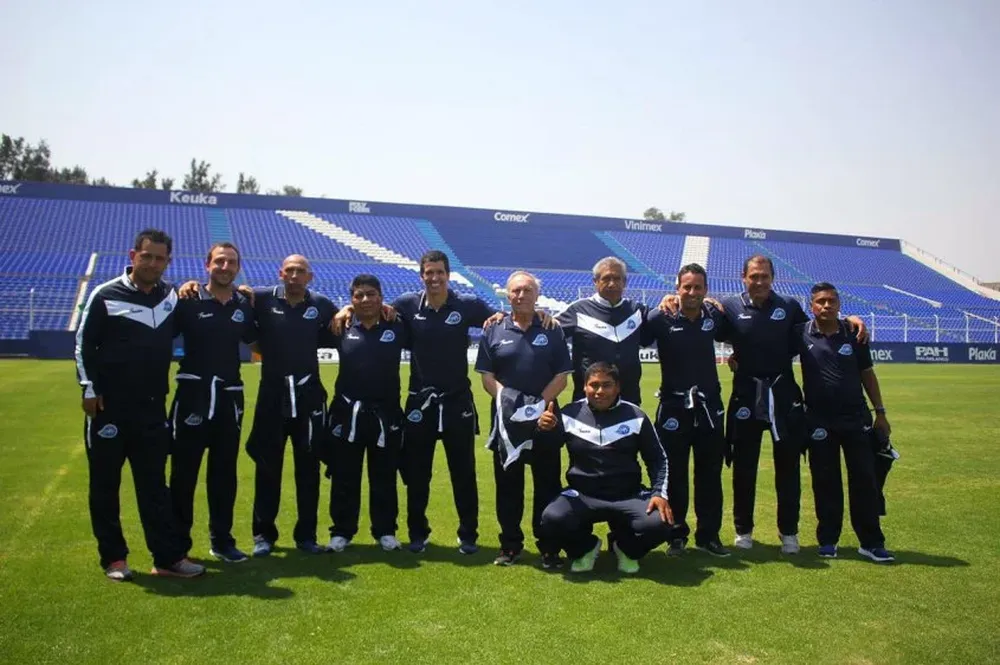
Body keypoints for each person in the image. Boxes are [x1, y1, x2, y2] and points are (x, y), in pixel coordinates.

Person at [662, 255, 867, 553]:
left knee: (788, 466)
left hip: (784, 393)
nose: (759, 282)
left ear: (773, 278)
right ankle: (743, 530)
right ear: (743, 277)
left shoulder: (789, 307)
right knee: (744, 466)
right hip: (746, 392)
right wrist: (672, 298)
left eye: (765, 276)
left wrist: (849, 319)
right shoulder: (728, 307)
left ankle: (789, 532)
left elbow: (819, 327)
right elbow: (698, 315)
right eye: (754, 276)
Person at [75, 228, 204, 581]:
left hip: (152, 408)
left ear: (168, 262)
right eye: (146, 256)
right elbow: (83, 344)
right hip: (109, 408)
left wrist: (198, 285)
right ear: (133, 256)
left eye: (160, 258)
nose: (152, 263)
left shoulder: (170, 297)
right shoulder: (105, 294)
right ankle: (114, 559)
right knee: (105, 485)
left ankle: (167, 558)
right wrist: (88, 387)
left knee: (154, 487)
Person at [537, 362, 674, 574]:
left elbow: (658, 458)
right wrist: (545, 430)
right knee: (552, 518)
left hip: (628, 494)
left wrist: (658, 493)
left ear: (618, 387)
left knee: (660, 523)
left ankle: (626, 549)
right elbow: (546, 451)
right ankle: (586, 547)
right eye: (594, 385)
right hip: (583, 495)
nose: (600, 391)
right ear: (584, 387)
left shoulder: (636, 416)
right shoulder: (569, 414)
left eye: (607, 385)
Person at [475, 271, 571, 568]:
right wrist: (508, 403)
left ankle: (548, 546)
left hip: (545, 420)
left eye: (527, 290)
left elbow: (563, 376)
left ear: (536, 295)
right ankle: (510, 546)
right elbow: (487, 377)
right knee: (508, 488)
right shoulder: (493, 329)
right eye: (515, 291)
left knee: (547, 486)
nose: (520, 295)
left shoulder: (552, 329)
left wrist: (537, 405)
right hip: (507, 424)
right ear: (507, 294)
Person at [794, 283, 894, 563]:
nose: (826, 306)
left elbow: (867, 373)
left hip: (856, 419)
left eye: (831, 301)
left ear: (839, 304)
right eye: (820, 302)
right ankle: (827, 540)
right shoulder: (801, 333)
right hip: (818, 421)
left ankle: (871, 542)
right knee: (825, 482)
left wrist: (880, 412)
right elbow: (768, 348)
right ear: (811, 306)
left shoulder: (853, 333)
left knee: (865, 481)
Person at [169, 242, 255, 564]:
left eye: (231, 262)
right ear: (207, 264)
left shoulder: (244, 304)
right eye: (219, 261)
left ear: (238, 267)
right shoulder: (187, 300)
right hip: (193, 395)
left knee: (224, 473)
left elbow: (258, 338)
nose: (225, 267)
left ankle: (222, 540)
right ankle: (177, 544)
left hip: (230, 398)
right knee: (183, 473)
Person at [245, 255, 335, 556]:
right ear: (281, 273)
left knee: (308, 469)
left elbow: (347, 316)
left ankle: (306, 536)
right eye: (290, 271)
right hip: (272, 395)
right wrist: (191, 285)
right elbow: (233, 293)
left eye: (301, 272)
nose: (295, 276)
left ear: (310, 277)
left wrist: (348, 308)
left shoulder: (320, 304)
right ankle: (263, 536)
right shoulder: (260, 298)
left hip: (309, 397)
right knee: (267, 467)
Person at [645, 264, 729, 557]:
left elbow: (746, 332)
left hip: (709, 408)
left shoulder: (715, 315)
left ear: (706, 290)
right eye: (686, 287)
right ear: (677, 288)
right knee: (674, 475)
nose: (692, 292)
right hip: (673, 408)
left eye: (698, 287)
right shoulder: (659, 317)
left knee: (710, 474)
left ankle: (709, 536)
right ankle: (676, 535)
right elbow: (634, 340)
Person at [325, 275, 409, 552]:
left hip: (386, 415)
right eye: (359, 296)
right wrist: (342, 311)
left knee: (384, 476)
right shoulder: (341, 326)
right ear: (351, 300)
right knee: (344, 476)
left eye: (371, 294)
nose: (365, 300)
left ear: (381, 297)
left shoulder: (397, 325)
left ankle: (385, 531)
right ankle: (341, 532)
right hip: (347, 414)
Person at [555, 257, 653, 405]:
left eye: (617, 278)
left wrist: (671, 300)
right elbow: (547, 328)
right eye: (606, 278)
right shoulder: (578, 310)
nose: (612, 283)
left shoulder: (637, 311)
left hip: (629, 401)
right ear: (595, 282)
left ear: (625, 282)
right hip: (587, 402)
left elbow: (667, 316)